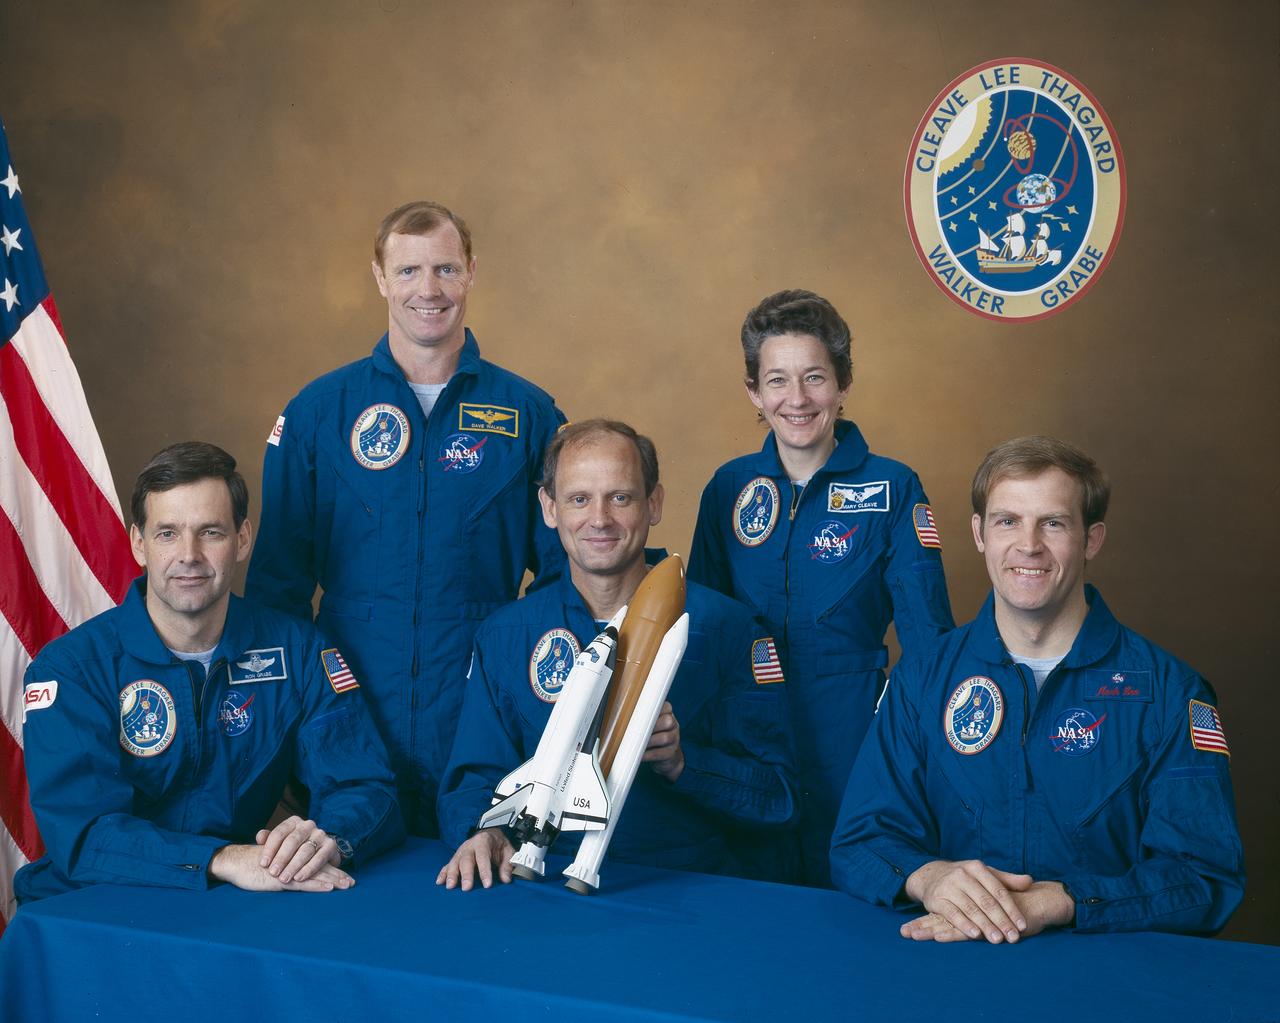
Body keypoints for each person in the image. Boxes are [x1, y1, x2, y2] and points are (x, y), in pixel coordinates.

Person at [830, 437, 1245, 940]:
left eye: (1053, 522)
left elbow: (1205, 879)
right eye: (1008, 521)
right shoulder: (922, 680)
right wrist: (928, 877)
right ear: (979, 534)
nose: (1029, 545)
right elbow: (860, 841)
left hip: (1105, 980)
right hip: (953, 975)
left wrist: (1065, 901)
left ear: (1091, 540)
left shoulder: (1171, 693)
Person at [247, 201, 567, 836]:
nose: (429, 289)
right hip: (346, 715)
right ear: (379, 277)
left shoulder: (529, 416)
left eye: (446, 268)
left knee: (481, 901)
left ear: (472, 273)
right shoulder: (318, 414)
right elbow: (276, 592)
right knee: (351, 910)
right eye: (409, 270)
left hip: (481, 715)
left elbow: (565, 585)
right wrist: (277, 733)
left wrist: (530, 698)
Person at [16, 443, 404, 902]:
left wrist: (329, 842)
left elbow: (362, 783)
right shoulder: (73, 670)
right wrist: (222, 859)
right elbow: (84, 836)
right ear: (138, 543)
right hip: (98, 902)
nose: (190, 555)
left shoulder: (297, 651)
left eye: (211, 532)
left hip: (232, 902)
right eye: (167, 534)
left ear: (242, 539)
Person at [436, 420, 798, 890]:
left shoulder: (728, 629)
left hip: (684, 888)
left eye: (621, 497)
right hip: (541, 881)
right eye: (579, 498)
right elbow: (472, 778)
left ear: (654, 504)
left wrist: (683, 764)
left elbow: (782, 798)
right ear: (549, 508)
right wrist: (482, 831)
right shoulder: (506, 635)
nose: (600, 519)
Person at [689, 289, 953, 886]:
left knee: (853, 889)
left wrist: (917, 751)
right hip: (747, 729)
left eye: (814, 377)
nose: (798, 399)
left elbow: (929, 640)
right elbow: (701, 627)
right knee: (753, 900)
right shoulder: (728, 488)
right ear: (754, 392)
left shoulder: (893, 487)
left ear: (842, 383)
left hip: (853, 726)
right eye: (777, 381)